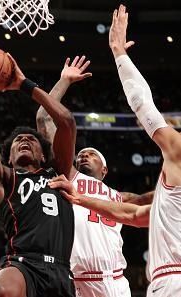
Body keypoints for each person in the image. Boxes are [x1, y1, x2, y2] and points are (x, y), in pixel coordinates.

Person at [49, 4, 181, 297]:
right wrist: (81, 199)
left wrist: (118, 52)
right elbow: (133, 213)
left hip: (178, 284)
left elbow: (144, 107)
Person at [0, 51, 76, 297]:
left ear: (44, 155)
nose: (24, 140)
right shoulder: (4, 180)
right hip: (24, 265)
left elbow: (66, 121)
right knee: (0, 290)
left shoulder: (58, 172)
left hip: (61, 271)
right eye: (18, 141)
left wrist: (24, 85)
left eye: (31, 139)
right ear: (9, 158)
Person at [36, 56, 136, 297]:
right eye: (80, 153)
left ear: (104, 170)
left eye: (91, 154)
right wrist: (63, 81)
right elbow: (43, 117)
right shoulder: (68, 175)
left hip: (117, 281)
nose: (82, 156)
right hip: (78, 282)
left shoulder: (121, 197)